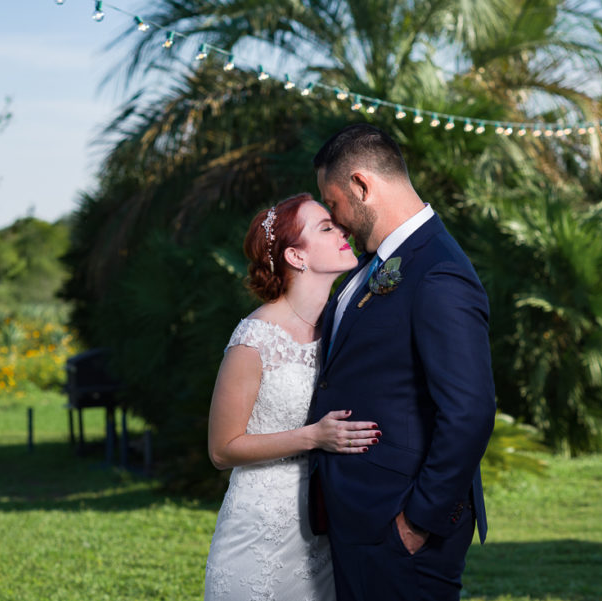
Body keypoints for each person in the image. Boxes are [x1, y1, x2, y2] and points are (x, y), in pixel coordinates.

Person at [309, 124, 496, 601]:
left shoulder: (438, 270)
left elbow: (469, 412)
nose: (336, 218)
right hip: (361, 514)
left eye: (333, 203)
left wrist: (417, 521)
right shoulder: (374, 265)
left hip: (400, 526)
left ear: (361, 185)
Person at [203, 192, 381, 601]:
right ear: (297, 258)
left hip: (325, 529)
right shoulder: (254, 338)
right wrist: (313, 437)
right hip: (259, 534)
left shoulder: (340, 325)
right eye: (325, 227)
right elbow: (222, 449)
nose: (343, 231)